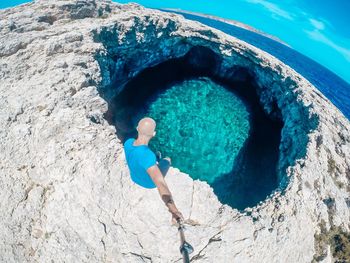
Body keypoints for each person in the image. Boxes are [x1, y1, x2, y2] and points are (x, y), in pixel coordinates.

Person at [124, 117, 184, 223]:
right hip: (149, 183)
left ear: (137, 128)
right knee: (167, 160)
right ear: (154, 134)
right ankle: (160, 159)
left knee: (149, 159)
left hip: (134, 177)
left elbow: (137, 156)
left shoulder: (128, 142)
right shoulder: (147, 156)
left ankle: (156, 159)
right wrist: (174, 211)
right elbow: (160, 184)